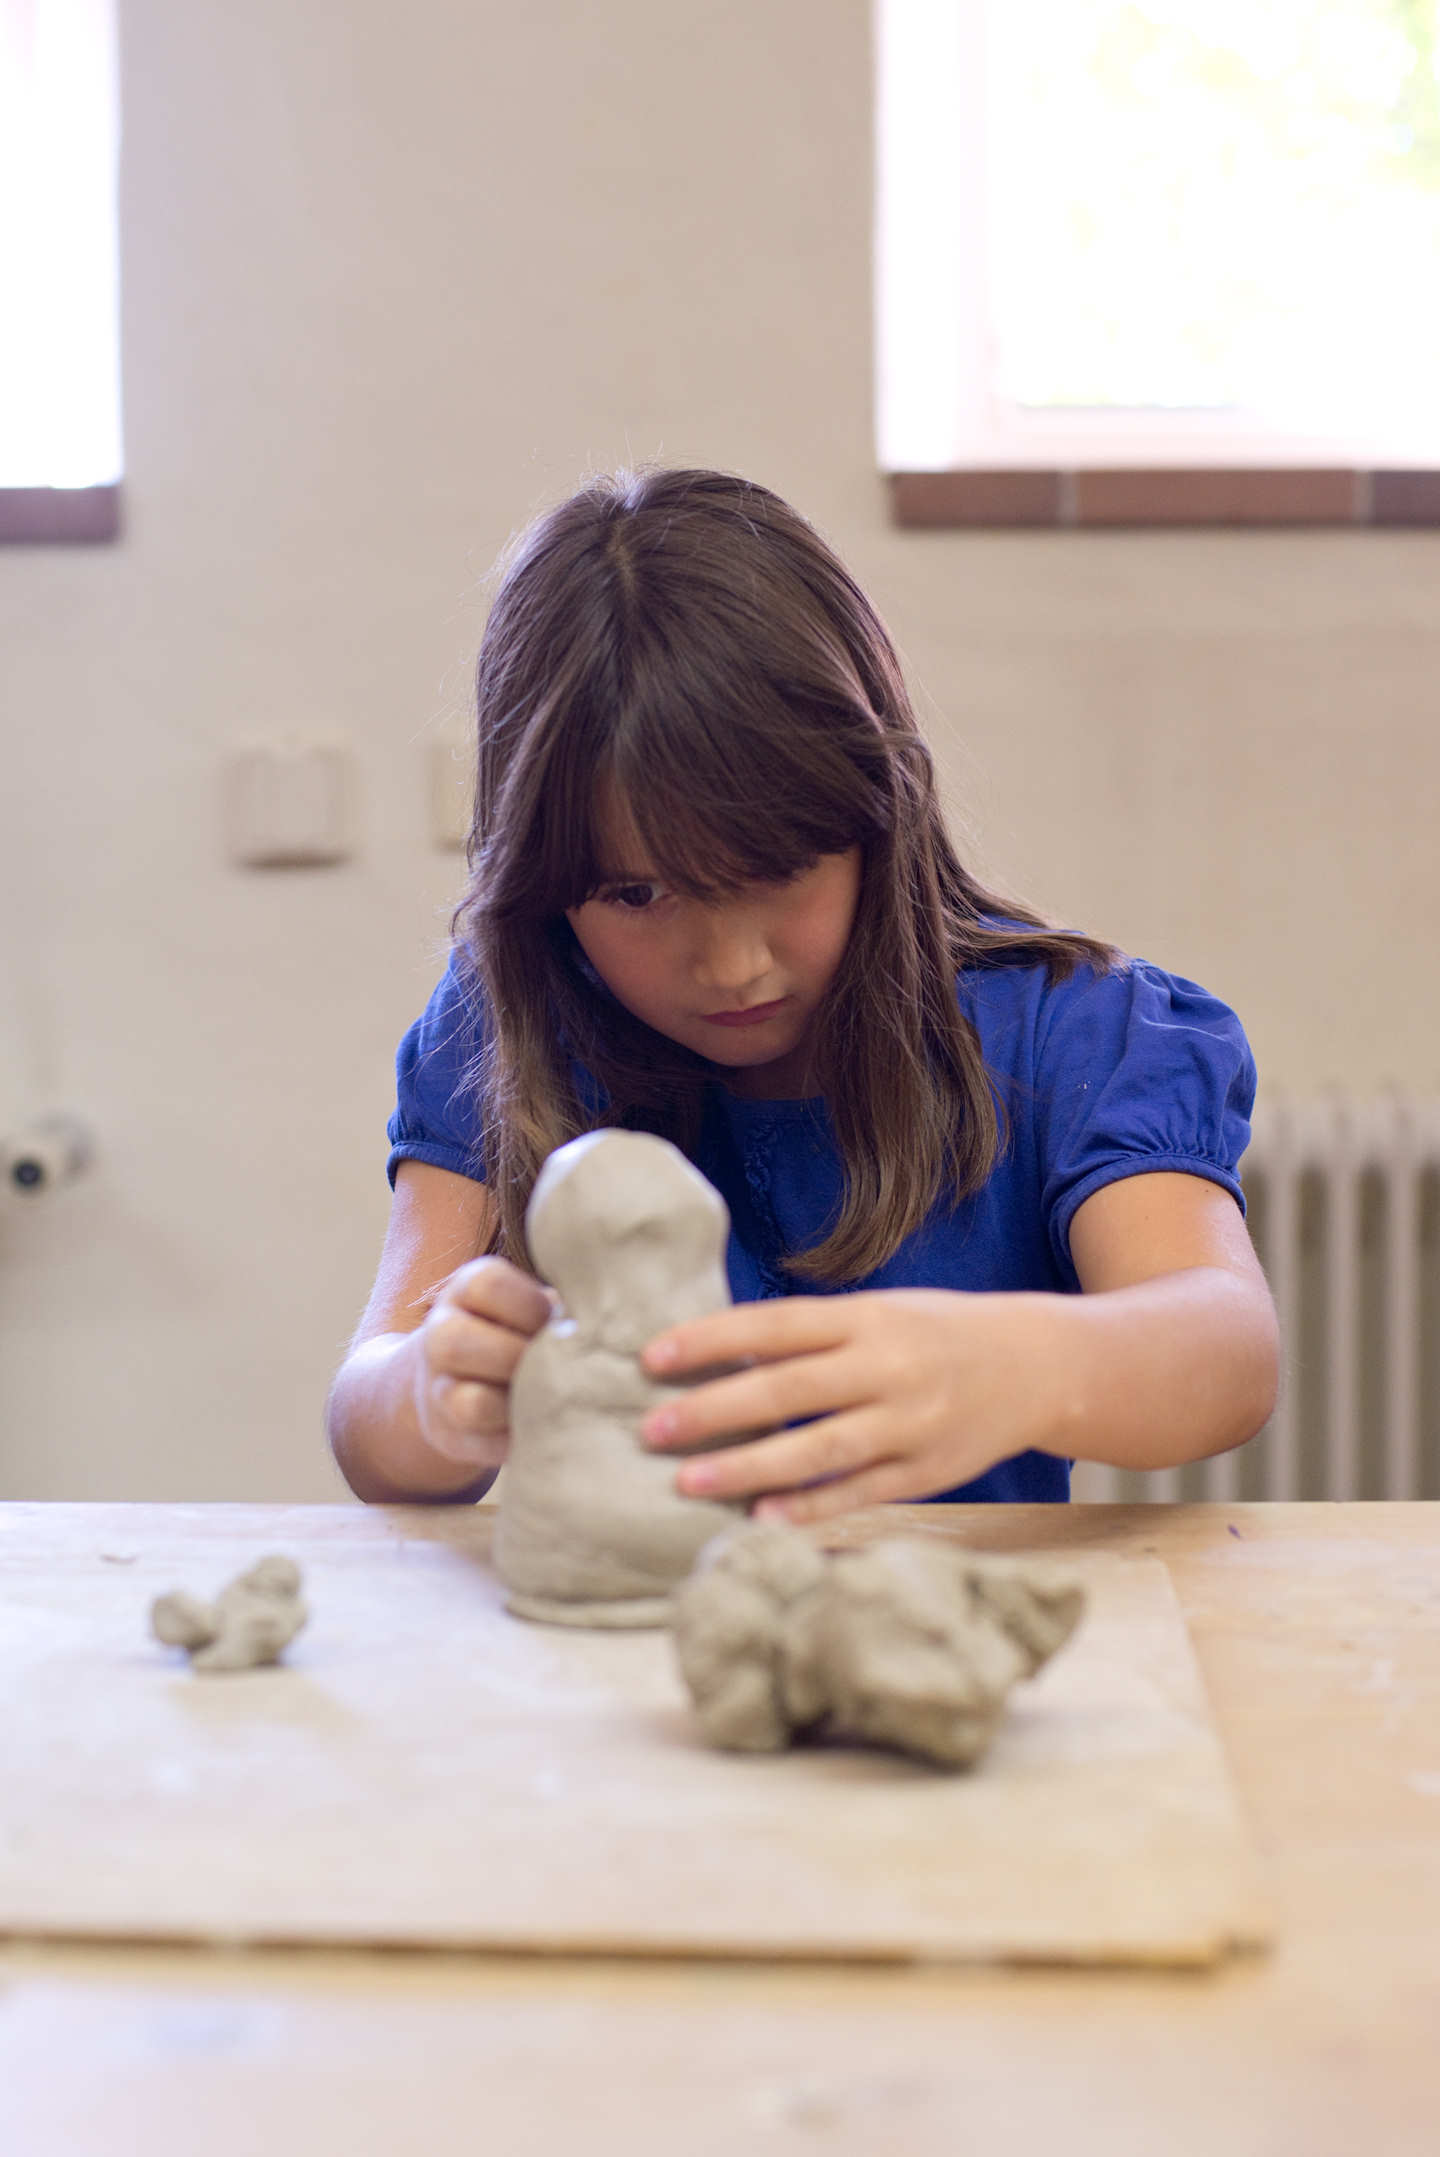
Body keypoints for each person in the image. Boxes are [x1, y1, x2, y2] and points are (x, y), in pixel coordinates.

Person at [326, 467, 1278, 1520]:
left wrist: (1030, 1365)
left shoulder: (1076, 1035)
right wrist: (432, 1394)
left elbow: (1227, 1351)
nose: (732, 965)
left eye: (777, 873)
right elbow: (371, 1430)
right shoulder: (505, 1030)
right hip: (625, 1664)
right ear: (545, 894)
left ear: (881, 818)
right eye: (638, 893)